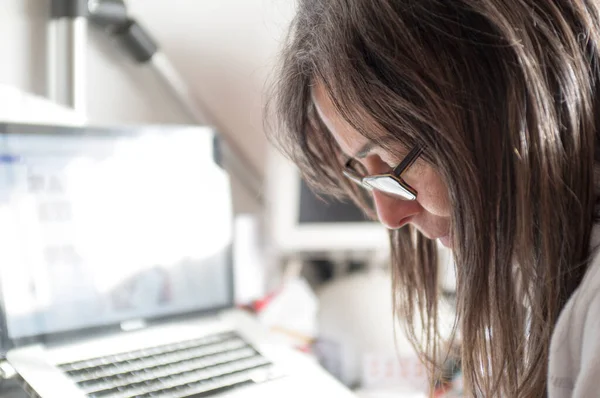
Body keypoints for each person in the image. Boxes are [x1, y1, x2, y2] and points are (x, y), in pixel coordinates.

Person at [267, 1, 600, 397]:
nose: (388, 215)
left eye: (393, 160)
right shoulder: (539, 261)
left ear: (504, 103)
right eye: (365, 171)